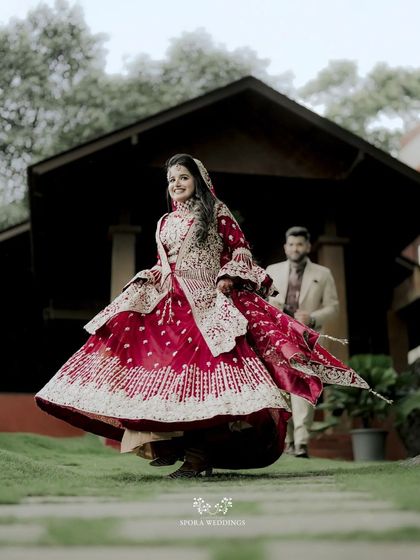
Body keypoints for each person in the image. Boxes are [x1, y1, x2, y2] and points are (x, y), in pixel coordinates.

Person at [36, 154, 373, 478]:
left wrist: (228, 276)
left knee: (201, 382)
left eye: (183, 177)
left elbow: (240, 249)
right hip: (167, 304)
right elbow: (162, 262)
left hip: (204, 304)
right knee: (160, 373)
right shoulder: (165, 221)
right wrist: (149, 275)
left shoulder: (217, 213)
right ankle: (169, 442)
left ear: (198, 181)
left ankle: (197, 456)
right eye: (171, 179)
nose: (176, 184)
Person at [266, 226, 339, 458]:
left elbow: (333, 306)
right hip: (278, 337)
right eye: (292, 244)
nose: (295, 248)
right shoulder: (272, 270)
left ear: (307, 246)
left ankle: (302, 443)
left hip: (308, 338)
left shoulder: (323, 273)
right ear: (285, 247)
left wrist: (314, 317)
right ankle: (286, 441)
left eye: (300, 244)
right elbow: (262, 301)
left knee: (303, 387)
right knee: (281, 387)